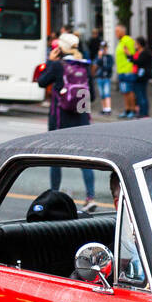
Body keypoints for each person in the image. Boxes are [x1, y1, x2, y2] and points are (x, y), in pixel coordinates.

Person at [35, 33, 96, 210]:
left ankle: (52, 197)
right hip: (81, 117)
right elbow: (92, 93)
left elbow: (41, 81)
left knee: (55, 159)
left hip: (60, 118)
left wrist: (49, 61)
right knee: (85, 159)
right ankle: (90, 197)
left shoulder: (57, 65)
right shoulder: (84, 66)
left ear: (60, 48)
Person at [113, 23, 137, 118]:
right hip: (121, 71)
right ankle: (127, 109)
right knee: (124, 91)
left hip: (128, 70)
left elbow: (132, 54)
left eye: (117, 31)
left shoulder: (128, 40)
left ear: (123, 31)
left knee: (130, 91)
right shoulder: (121, 42)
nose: (116, 33)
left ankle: (133, 109)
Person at [130, 36, 152, 118]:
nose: (135, 45)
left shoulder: (145, 53)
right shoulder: (138, 52)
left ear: (140, 44)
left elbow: (139, 62)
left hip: (142, 77)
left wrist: (129, 57)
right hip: (137, 76)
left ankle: (144, 112)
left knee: (142, 95)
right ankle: (141, 111)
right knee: (139, 95)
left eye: (136, 43)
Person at [93, 40, 113, 115]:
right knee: (102, 94)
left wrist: (103, 67)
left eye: (105, 48)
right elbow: (97, 64)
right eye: (102, 48)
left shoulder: (109, 57)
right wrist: (100, 57)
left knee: (107, 93)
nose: (103, 50)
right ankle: (104, 108)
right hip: (99, 77)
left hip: (106, 77)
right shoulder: (98, 57)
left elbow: (109, 67)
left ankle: (108, 108)